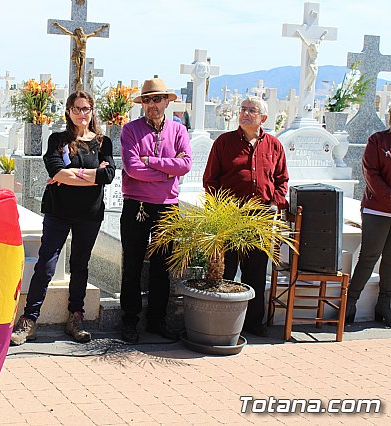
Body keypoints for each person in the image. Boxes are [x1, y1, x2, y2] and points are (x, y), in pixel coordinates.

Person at [11, 91, 115, 345]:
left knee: (80, 265)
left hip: (89, 214)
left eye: (86, 108)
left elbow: (109, 175)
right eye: (77, 108)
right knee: (46, 263)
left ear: (92, 111)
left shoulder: (103, 143)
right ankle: (29, 319)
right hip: (59, 212)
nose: (82, 114)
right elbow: (56, 171)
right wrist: (90, 174)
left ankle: (75, 317)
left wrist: (73, 175)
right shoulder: (58, 140)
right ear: (68, 111)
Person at [202, 96, 288, 337]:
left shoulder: (274, 146)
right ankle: (221, 322)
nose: (246, 114)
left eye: (252, 110)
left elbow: (282, 180)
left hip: (260, 217)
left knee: (256, 271)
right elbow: (210, 180)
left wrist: (275, 203)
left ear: (264, 118)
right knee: (226, 270)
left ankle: (252, 323)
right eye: (243, 109)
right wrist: (220, 210)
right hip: (230, 216)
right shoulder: (224, 142)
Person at [119, 78, 192, 344]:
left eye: (158, 99)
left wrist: (152, 162)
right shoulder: (130, 130)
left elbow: (185, 165)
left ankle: (157, 319)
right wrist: (165, 173)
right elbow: (132, 168)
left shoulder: (178, 130)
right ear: (143, 104)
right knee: (134, 263)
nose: (153, 105)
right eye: (148, 100)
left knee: (162, 266)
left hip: (167, 207)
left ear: (167, 101)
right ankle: (129, 320)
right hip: (136, 204)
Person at [345, 128, 391, 327]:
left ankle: (384, 305)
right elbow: (371, 174)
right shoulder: (378, 140)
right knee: (369, 257)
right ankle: (350, 303)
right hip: (377, 210)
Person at [52, 22, 109, 92]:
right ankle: (78, 78)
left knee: (81, 66)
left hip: (83, 53)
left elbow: (95, 33)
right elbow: (66, 31)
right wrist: (58, 26)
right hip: (78, 52)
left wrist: (102, 28)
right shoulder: (76, 37)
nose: (81, 32)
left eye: (81, 31)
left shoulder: (86, 36)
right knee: (78, 65)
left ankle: (79, 78)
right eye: (79, 31)